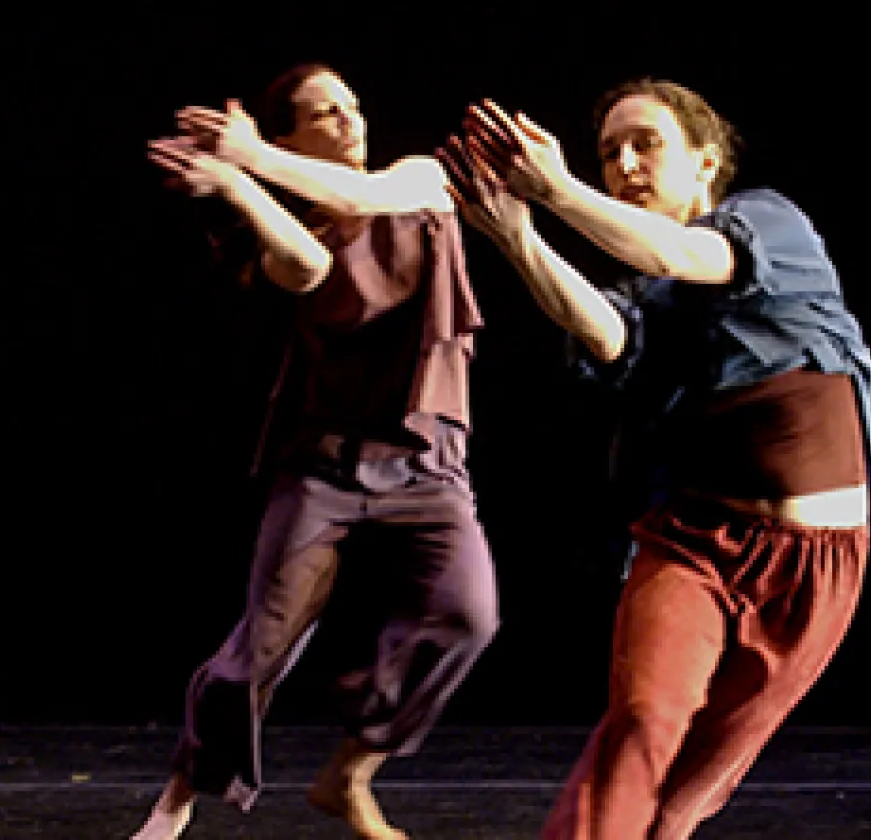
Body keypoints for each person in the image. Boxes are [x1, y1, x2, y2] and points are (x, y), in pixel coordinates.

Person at [438, 79, 869, 839]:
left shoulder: (768, 223)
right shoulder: (650, 292)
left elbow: (681, 250)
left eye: (646, 144)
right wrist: (516, 234)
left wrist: (559, 190)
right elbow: (608, 334)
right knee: (641, 725)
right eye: (609, 153)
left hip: (820, 569)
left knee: (687, 798)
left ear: (706, 163)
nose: (625, 164)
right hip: (695, 544)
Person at [134, 63, 500, 840]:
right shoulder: (278, 216)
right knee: (258, 649)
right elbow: (308, 266)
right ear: (289, 134)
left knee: (467, 615)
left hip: (426, 451)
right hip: (326, 459)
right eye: (324, 113)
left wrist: (249, 159)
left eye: (353, 106)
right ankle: (176, 802)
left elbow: (366, 198)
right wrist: (240, 185)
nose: (349, 121)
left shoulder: (415, 177)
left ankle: (352, 771)